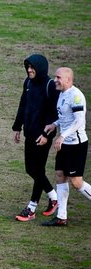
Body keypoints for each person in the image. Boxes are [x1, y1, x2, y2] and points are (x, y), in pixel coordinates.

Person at [12, 54, 60, 221]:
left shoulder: (50, 86)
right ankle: (55, 198)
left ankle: (31, 208)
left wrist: (47, 135)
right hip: (29, 133)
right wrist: (17, 127)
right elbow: (23, 104)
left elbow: (54, 114)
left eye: (32, 67)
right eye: (28, 67)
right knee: (30, 169)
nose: (29, 70)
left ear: (40, 68)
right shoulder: (28, 83)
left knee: (38, 170)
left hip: (43, 137)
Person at [42, 67, 90, 226]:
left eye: (58, 77)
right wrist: (54, 124)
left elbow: (79, 121)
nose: (55, 80)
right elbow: (65, 117)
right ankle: (61, 217)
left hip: (76, 145)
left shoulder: (76, 96)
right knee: (60, 175)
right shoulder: (62, 93)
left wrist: (62, 135)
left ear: (69, 80)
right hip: (65, 144)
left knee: (76, 182)